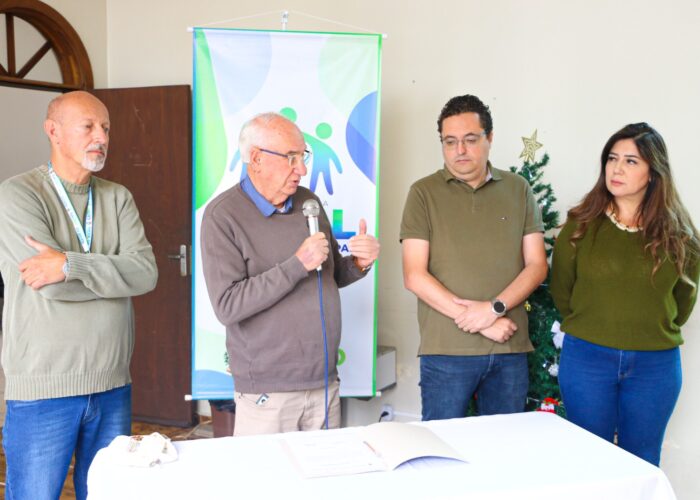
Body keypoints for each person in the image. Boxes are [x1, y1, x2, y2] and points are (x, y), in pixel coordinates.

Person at [0, 91, 158, 499]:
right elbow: (50, 285)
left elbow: (145, 274)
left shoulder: (117, 197)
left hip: (112, 383)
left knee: (109, 494)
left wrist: (70, 265)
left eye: (105, 128)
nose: (101, 137)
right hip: (43, 388)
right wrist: (112, 276)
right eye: (88, 126)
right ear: (53, 131)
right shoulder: (17, 194)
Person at [200, 112, 379, 436]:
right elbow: (228, 305)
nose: (302, 169)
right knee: (268, 471)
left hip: (323, 382)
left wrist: (358, 263)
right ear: (256, 158)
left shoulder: (308, 202)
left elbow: (329, 275)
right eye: (291, 158)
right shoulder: (222, 216)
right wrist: (297, 264)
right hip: (268, 391)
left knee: (325, 469)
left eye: (303, 156)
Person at [551, 122, 700, 466]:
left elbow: (682, 303)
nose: (616, 169)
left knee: (642, 461)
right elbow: (562, 291)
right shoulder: (580, 226)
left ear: (653, 173)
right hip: (587, 358)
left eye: (631, 161)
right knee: (590, 460)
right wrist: (597, 325)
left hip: (655, 365)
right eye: (612, 158)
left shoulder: (680, 236)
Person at [400, 94, 547, 420]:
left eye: (470, 140)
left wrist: (493, 309)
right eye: (450, 142)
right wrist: (482, 323)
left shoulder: (518, 189)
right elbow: (414, 275)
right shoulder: (422, 193)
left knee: (504, 446)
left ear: (489, 138)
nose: (460, 150)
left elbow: (537, 265)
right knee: (440, 445)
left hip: (509, 347)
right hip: (446, 352)